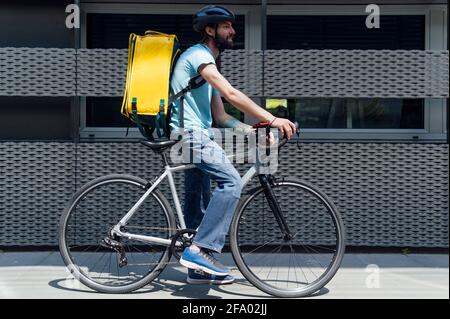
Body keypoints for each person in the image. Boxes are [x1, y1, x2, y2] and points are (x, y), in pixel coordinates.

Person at [169, 5, 296, 285]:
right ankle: (200, 250)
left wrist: (253, 130)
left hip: (196, 134)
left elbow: (221, 116)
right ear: (210, 30)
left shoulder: (208, 66)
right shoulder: (199, 56)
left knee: (198, 204)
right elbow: (231, 93)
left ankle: (197, 269)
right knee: (231, 182)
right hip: (190, 135)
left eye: (232, 26)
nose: (233, 31)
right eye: (226, 26)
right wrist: (272, 118)